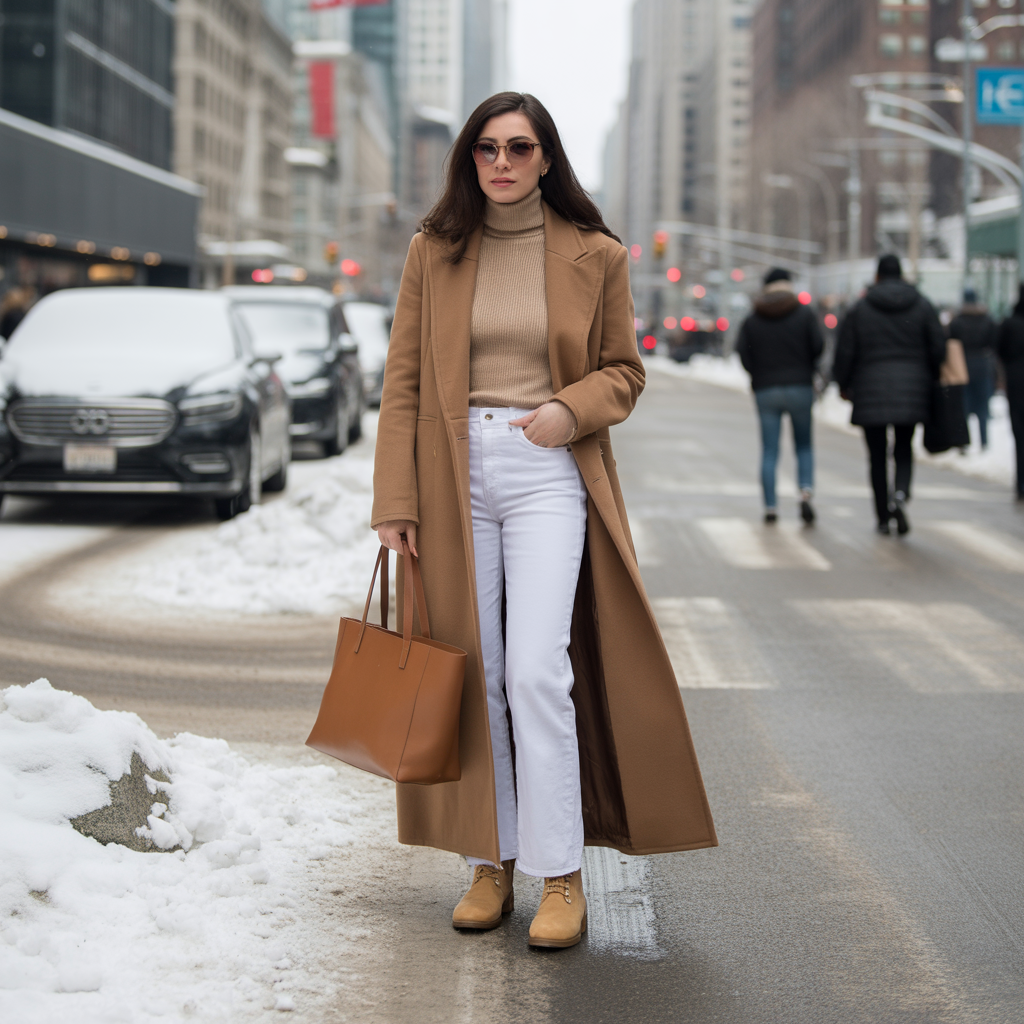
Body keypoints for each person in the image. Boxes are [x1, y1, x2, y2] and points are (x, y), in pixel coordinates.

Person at [370, 92, 716, 950]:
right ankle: (490, 861)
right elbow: (404, 383)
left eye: (519, 148)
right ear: (469, 159)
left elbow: (624, 373)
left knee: (534, 671)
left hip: (547, 467)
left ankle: (561, 874)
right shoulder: (434, 250)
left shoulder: (596, 254)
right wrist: (395, 502)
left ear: (547, 158)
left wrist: (570, 408)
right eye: (486, 148)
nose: (502, 162)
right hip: (454, 471)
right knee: (474, 670)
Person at [833, 254, 945, 535]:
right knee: (904, 448)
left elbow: (846, 350)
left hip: (870, 387)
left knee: (877, 455)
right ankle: (901, 494)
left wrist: (843, 383)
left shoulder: (861, 308)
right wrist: (929, 377)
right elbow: (938, 348)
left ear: (878, 276)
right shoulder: (922, 304)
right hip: (913, 387)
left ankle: (882, 516)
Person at [735, 267, 824, 525]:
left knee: (769, 450)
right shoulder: (804, 314)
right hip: (800, 386)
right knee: (804, 445)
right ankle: (805, 492)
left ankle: (771, 506)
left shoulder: (754, 318)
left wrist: (759, 373)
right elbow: (818, 346)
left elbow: (743, 352)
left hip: (766, 390)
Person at [948, 288, 998, 450]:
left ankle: (963, 443)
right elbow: (994, 342)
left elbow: (950, 342)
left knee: (964, 406)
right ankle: (984, 442)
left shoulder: (957, 321)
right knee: (982, 406)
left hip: (961, 365)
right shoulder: (987, 320)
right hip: (983, 365)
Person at [997, 286, 1024, 501]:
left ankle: (1021, 482)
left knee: (1019, 432)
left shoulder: (1010, 322)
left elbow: (999, 348)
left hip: (1016, 380)